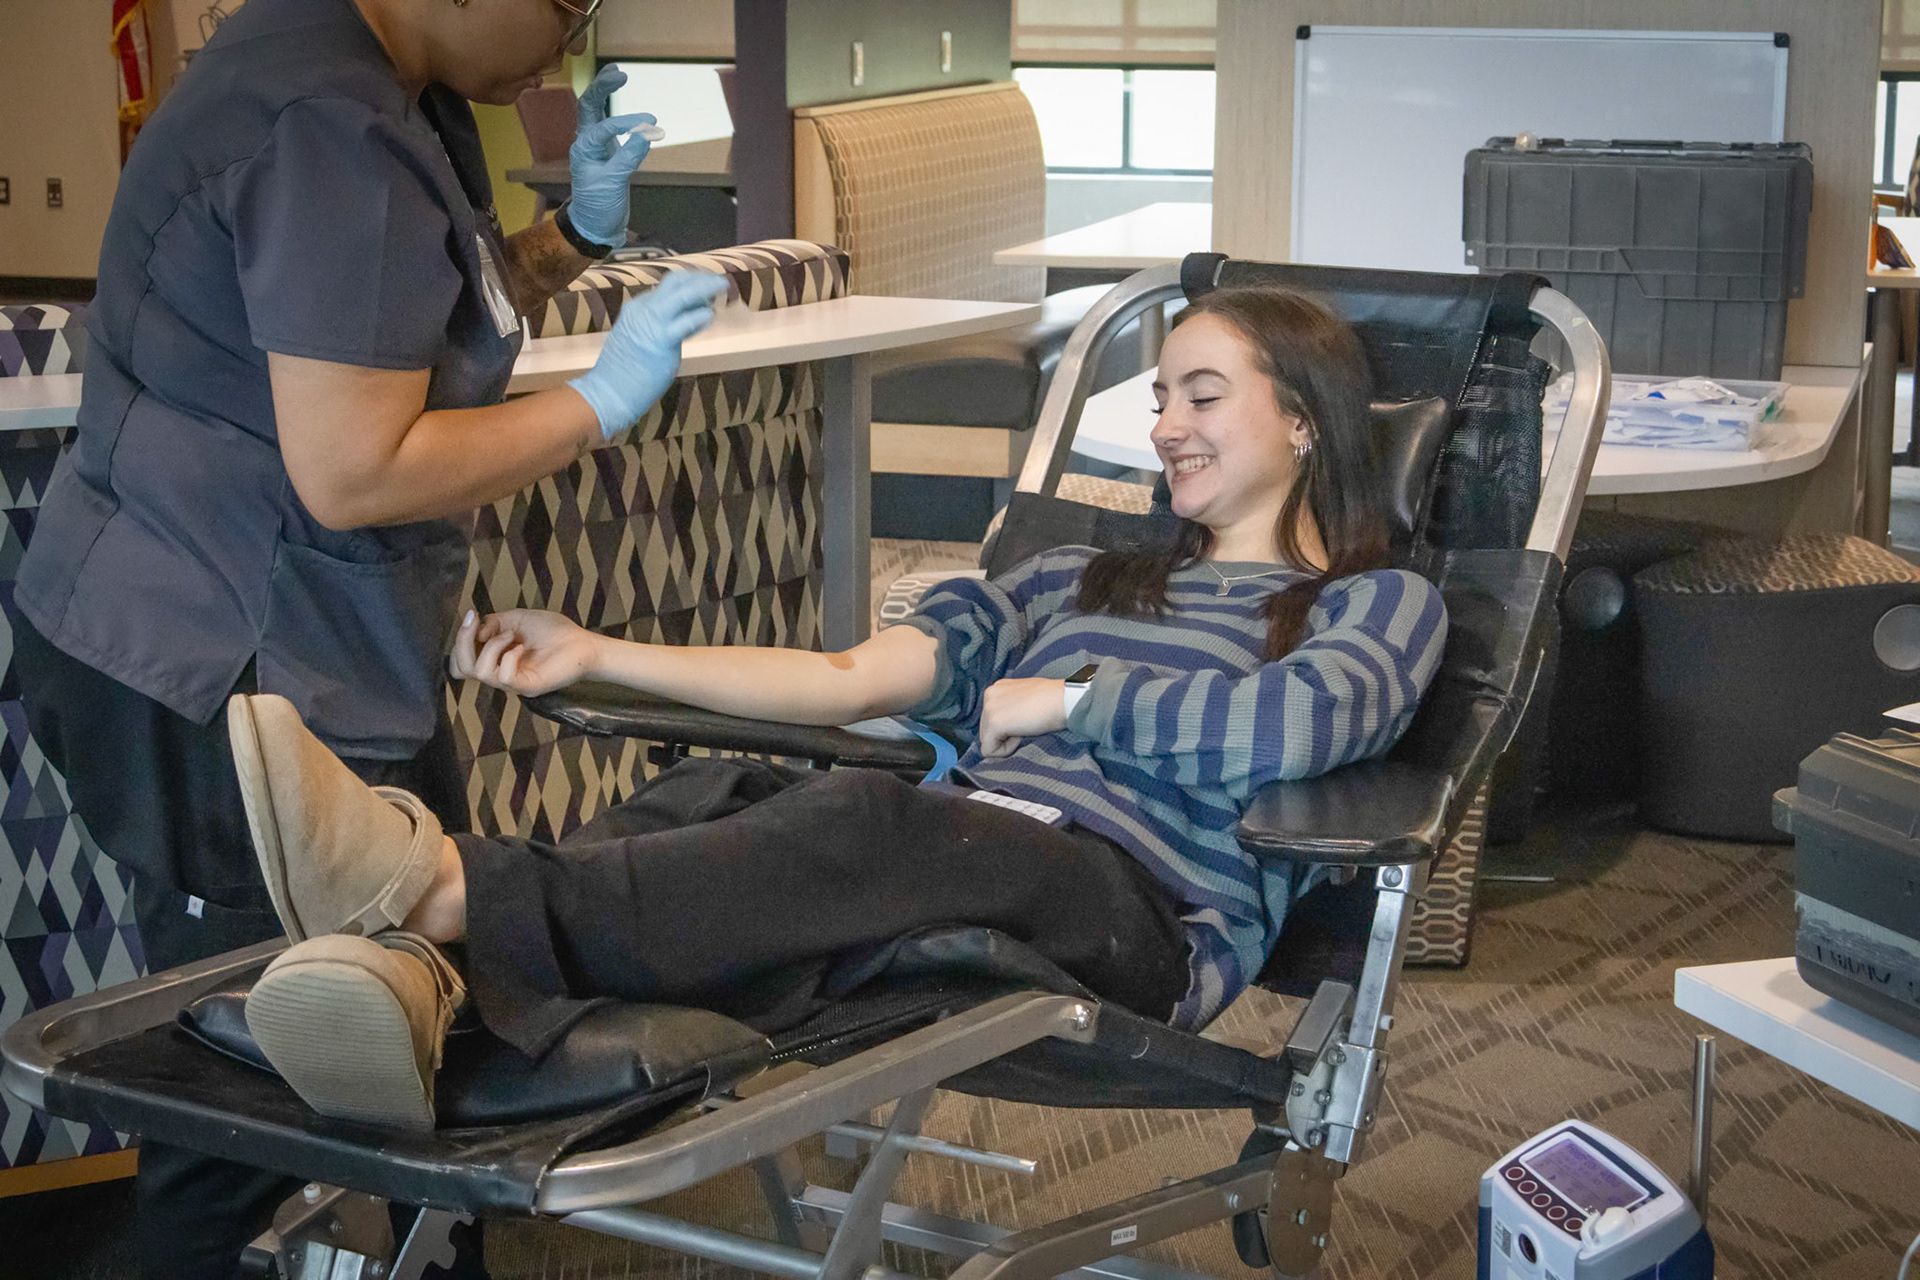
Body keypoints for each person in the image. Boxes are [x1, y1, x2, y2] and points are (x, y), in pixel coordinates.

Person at [216, 285, 1451, 1131]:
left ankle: (434, 890)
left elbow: (1296, 727)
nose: (1165, 424)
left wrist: (1071, 701)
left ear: (1303, 417)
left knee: (872, 816)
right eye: (1161, 398)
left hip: (1136, 915)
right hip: (961, 858)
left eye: (1201, 395)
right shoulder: (1072, 577)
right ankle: (420, 987)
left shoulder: (1377, 601)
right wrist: (601, 649)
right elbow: (853, 677)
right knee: (714, 792)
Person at [12, 0, 726, 1274]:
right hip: (214, 666)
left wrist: (569, 239)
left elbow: (391, 329)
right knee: (238, 1105)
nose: (569, 44)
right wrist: (599, 402)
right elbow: (355, 466)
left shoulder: (371, 82)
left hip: (292, 644)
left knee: (432, 992)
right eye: (565, 6)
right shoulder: (324, 123)